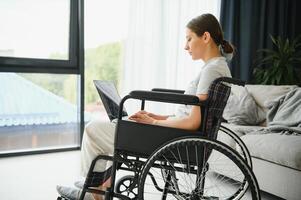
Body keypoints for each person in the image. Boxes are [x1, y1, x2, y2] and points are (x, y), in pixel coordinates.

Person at [56, 13, 234, 200]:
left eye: (189, 38)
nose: (185, 46)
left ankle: (93, 193)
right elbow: (191, 115)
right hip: (179, 136)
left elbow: (192, 122)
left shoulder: (211, 70)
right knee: (114, 126)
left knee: (93, 129)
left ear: (205, 37)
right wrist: (155, 117)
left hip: (175, 141)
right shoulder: (217, 67)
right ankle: (97, 186)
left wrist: (153, 123)